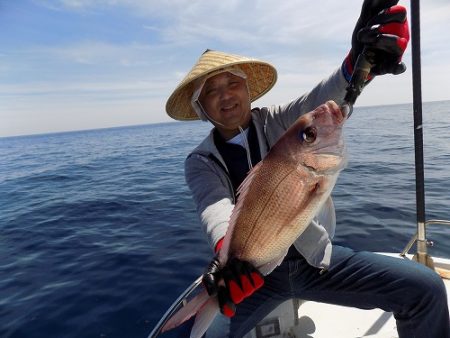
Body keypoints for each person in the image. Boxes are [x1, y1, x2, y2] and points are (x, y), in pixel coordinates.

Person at [165, 0, 450, 337]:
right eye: (211, 91)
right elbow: (214, 207)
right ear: (200, 107)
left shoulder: (280, 120)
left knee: (425, 289)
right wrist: (229, 257)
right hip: (253, 279)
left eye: (232, 84)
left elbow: (321, 101)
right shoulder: (200, 161)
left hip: (317, 262)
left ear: (247, 90)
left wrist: (358, 65)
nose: (225, 95)